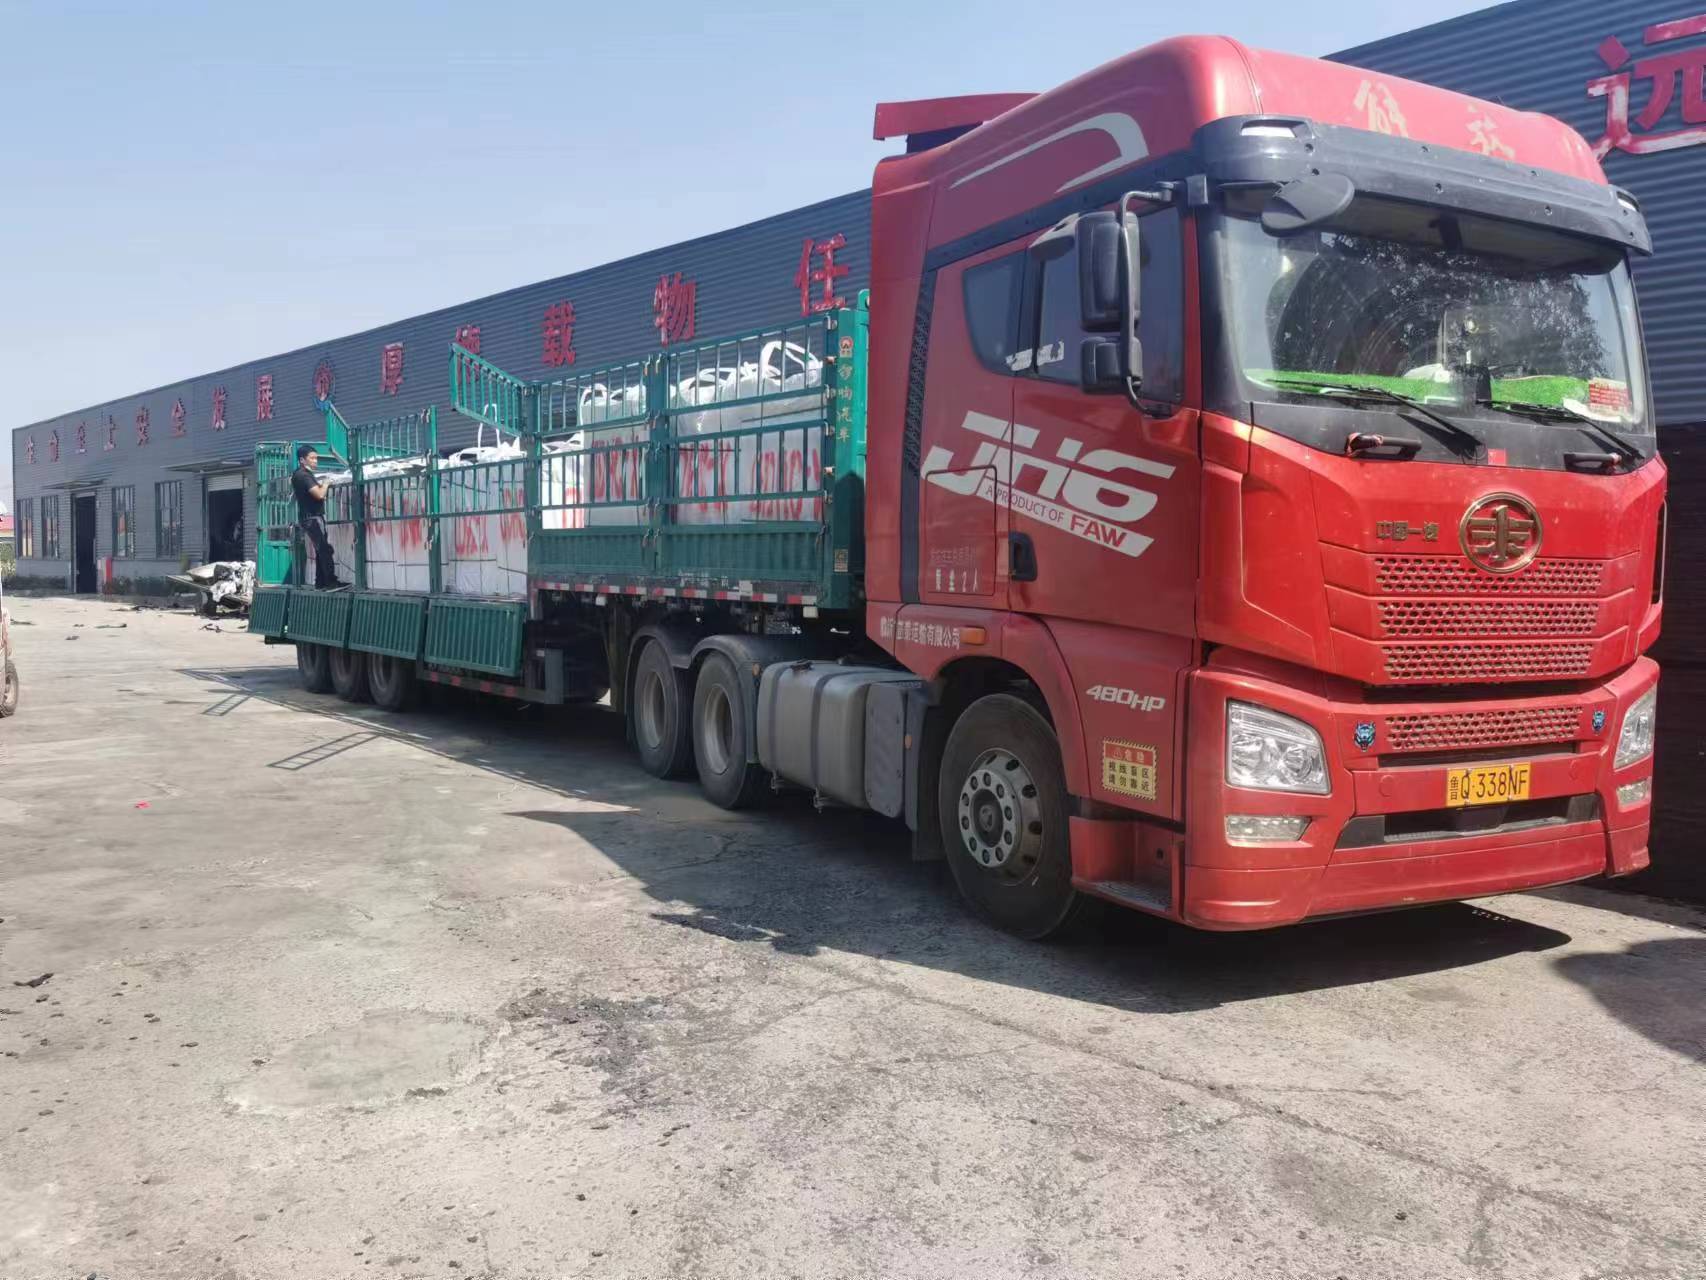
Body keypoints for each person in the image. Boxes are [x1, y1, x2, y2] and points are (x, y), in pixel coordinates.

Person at [291, 445, 346, 589]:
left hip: (309, 518)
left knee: (320, 550)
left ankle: (320, 582)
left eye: (316, 458)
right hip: (312, 518)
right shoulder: (304, 475)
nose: (315, 461)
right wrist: (326, 484)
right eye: (312, 458)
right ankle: (331, 582)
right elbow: (319, 494)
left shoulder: (299, 474)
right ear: (302, 460)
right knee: (324, 549)